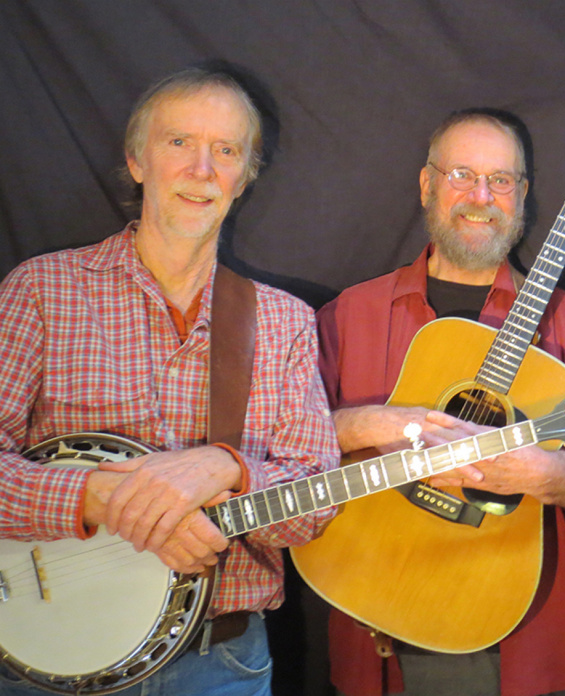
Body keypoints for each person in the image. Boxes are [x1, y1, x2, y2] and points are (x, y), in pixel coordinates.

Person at [0, 67, 340, 695]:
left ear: (243, 178)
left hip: (222, 667)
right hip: (45, 663)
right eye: (179, 142)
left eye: (227, 150)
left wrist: (227, 467)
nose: (202, 168)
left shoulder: (285, 322)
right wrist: (100, 499)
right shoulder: (41, 290)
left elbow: (314, 505)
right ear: (136, 161)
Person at [315, 108, 565, 696]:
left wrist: (550, 473)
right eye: (461, 174)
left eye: (500, 180)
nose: (481, 196)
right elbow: (284, 445)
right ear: (427, 184)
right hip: (374, 630)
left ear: (522, 194)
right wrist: (385, 425)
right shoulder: (352, 314)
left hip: (527, 637)